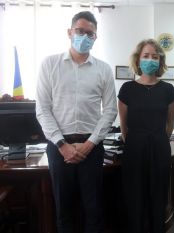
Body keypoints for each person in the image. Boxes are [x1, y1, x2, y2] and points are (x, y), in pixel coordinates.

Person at [36, 11, 118, 233]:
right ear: (70, 32)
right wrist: (62, 146)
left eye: (90, 34)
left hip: (91, 147)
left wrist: (90, 144)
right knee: (64, 209)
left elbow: (110, 110)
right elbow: (42, 109)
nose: (85, 36)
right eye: (80, 31)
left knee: (94, 208)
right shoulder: (50, 64)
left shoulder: (103, 69)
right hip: (58, 147)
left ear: (95, 38)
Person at [118, 39, 174, 233]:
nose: (150, 59)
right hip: (134, 149)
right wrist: (137, 142)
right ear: (138, 59)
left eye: (154, 56)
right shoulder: (127, 89)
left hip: (159, 147)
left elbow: (169, 124)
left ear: (160, 61)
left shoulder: (168, 90)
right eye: (146, 55)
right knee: (135, 196)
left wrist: (158, 139)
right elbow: (123, 126)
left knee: (158, 195)